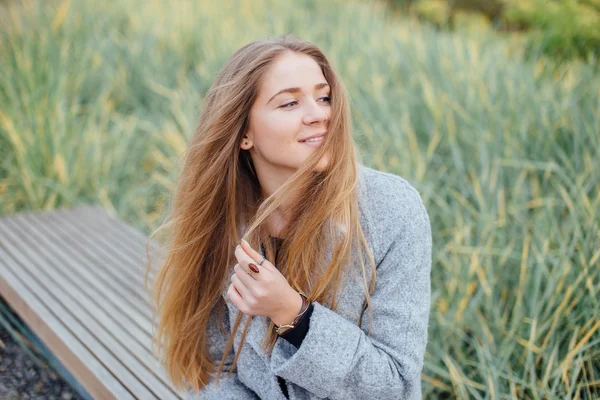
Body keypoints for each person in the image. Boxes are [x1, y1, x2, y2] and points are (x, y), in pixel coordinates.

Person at [146, 34, 432, 400]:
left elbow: (394, 385)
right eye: (290, 103)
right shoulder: (223, 217)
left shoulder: (392, 210)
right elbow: (215, 368)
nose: (319, 115)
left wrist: (293, 315)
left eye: (324, 96)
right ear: (244, 133)